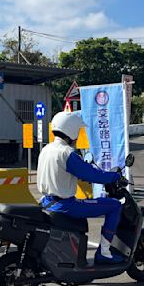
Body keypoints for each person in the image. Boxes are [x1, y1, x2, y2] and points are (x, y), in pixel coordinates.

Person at [37, 111, 126, 264]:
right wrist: (115, 176)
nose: (77, 136)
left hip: (46, 202)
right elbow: (91, 175)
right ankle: (104, 252)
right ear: (70, 131)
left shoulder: (46, 149)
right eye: (77, 131)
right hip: (65, 206)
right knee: (114, 205)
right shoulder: (67, 153)